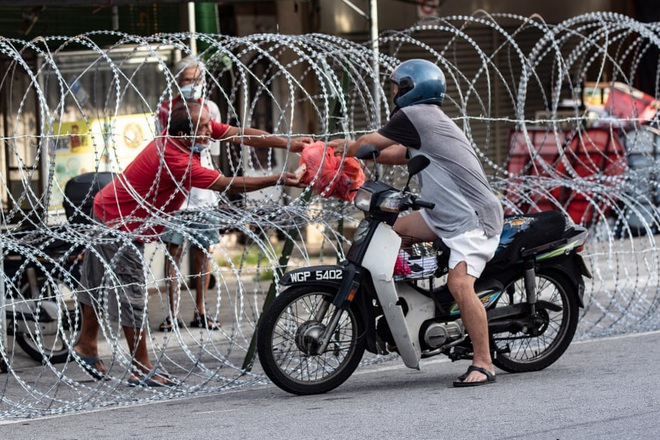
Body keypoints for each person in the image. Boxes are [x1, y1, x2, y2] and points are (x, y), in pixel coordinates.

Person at [72, 100, 306, 386]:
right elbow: (225, 183)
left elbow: (239, 134)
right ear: (185, 134)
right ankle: (140, 367)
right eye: (205, 128)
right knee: (131, 293)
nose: (211, 132)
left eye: (209, 125)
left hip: (111, 209)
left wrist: (288, 144)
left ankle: (86, 345)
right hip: (121, 224)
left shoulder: (185, 134)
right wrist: (279, 178)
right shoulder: (176, 159)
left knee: (96, 281)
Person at [330, 59, 504, 387]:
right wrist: (360, 152)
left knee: (460, 285)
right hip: (442, 214)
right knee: (391, 234)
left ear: (412, 89)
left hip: (473, 219)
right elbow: (399, 154)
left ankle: (484, 362)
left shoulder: (415, 115)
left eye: (397, 87)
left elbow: (373, 139)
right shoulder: (425, 122)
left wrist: (349, 150)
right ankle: (416, 311)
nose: (394, 93)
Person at [155, 56, 311, 331]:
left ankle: (201, 310)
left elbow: (217, 145)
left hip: (203, 194)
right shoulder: (165, 110)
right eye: (188, 80)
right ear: (177, 82)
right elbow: (163, 147)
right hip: (176, 195)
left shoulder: (209, 109)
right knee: (174, 255)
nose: (193, 85)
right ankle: (173, 313)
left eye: (197, 80)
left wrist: (288, 144)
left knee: (203, 253)